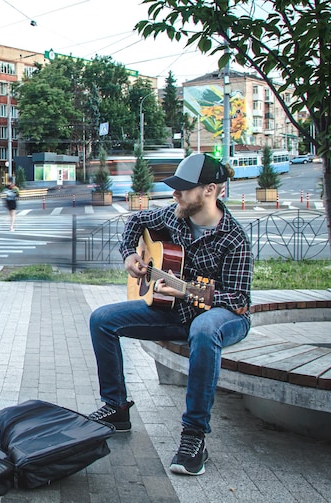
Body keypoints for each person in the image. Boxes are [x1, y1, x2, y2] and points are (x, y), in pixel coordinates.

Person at [88, 153, 253, 476]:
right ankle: (117, 407)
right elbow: (136, 220)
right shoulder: (174, 216)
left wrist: (188, 292)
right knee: (101, 320)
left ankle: (194, 436)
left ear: (210, 190)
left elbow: (238, 299)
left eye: (183, 188)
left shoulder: (233, 239)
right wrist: (129, 255)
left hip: (225, 317)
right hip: (173, 312)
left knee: (204, 330)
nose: (174, 194)